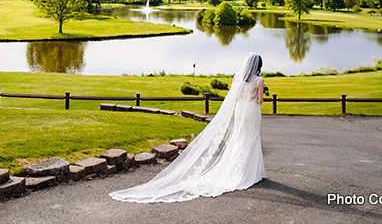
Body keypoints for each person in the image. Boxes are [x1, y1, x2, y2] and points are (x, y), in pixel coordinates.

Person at [110, 52, 266, 203]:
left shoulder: (238, 77)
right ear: (258, 65)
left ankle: (238, 168)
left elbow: (236, 96)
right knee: (250, 137)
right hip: (252, 111)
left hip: (240, 111)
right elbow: (260, 101)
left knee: (239, 136)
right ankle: (250, 172)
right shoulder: (259, 80)